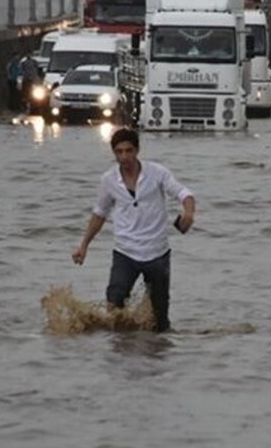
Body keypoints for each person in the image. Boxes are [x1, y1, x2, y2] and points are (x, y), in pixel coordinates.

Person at [72, 128, 196, 333]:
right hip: (125, 252)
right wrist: (83, 245)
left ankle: (158, 358)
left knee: (160, 320)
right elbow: (99, 213)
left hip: (157, 253)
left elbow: (184, 193)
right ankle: (120, 354)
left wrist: (188, 213)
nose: (124, 157)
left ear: (137, 150)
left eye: (129, 151)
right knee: (114, 304)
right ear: (114, 154)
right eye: (119, 152)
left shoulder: (157, 172)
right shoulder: (109, 180)